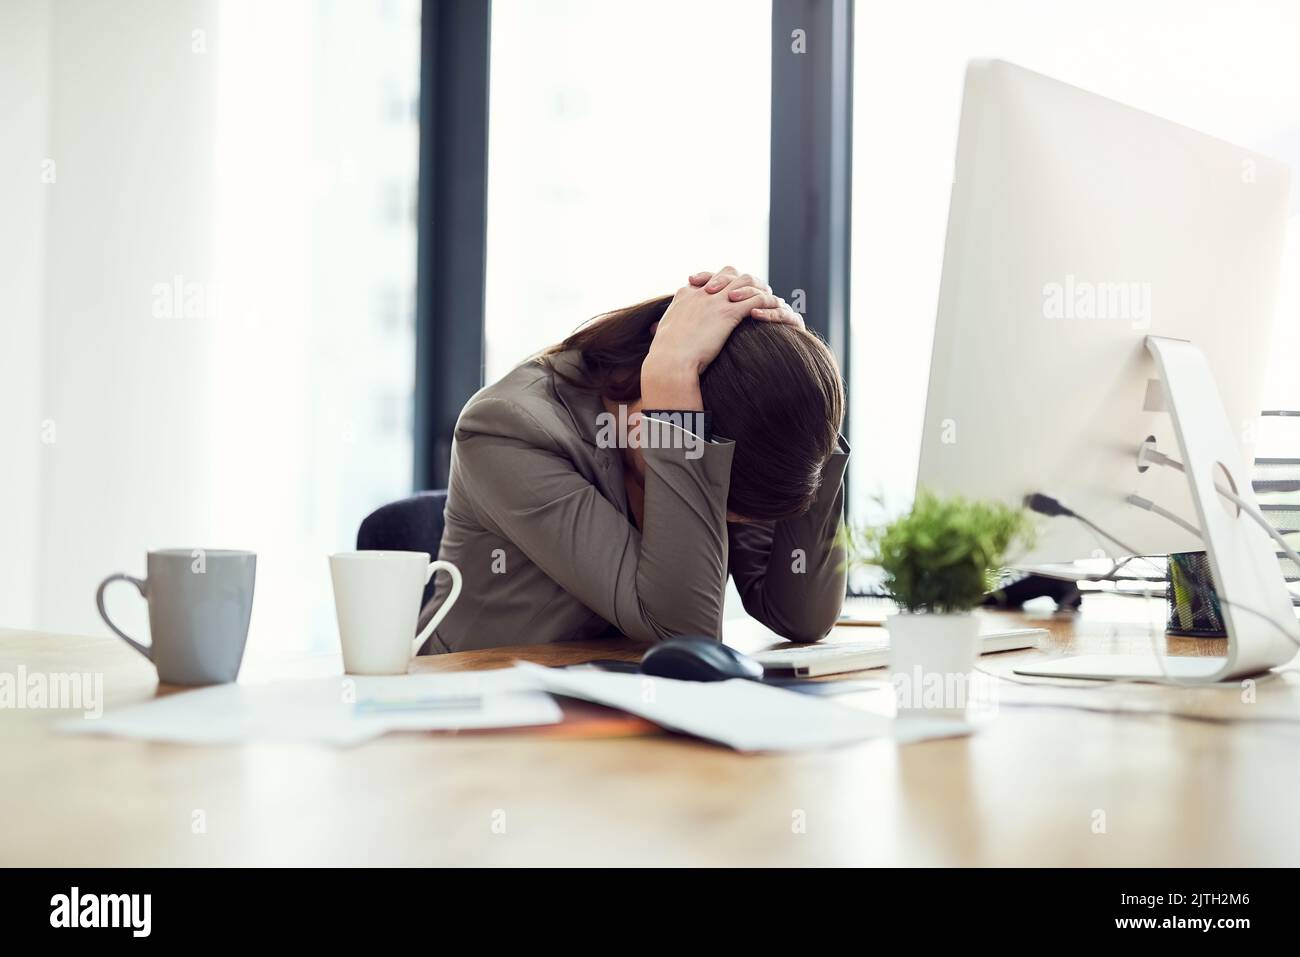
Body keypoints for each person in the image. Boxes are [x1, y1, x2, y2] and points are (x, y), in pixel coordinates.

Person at [419, 265, 848, 652]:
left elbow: (802, 617)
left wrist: (803, 402)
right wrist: (674, 392)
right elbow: (686, 637)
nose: (724, 516)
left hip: (626, 709)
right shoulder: (508, 428)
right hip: (484, 712)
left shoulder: (734, 422)